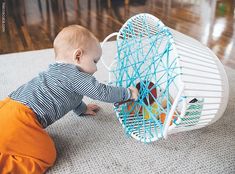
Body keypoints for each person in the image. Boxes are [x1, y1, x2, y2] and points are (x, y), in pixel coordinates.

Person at [0, 25, 138, 173]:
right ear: (78, 56)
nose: (96, 69)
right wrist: (128, 93)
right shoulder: (76, 76)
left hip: (8, 105)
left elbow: (67, 96)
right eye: (94, 61)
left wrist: (82, 108)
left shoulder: (56, 72)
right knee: (46, 155)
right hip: (21, 120)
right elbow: (102, 92)